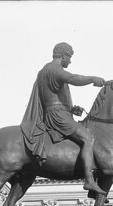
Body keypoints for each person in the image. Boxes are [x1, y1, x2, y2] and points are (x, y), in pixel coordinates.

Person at [20, 42, 105, 194]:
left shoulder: (45, 70)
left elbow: (52, 95)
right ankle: (89, 180)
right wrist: (93, 78)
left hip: (57, 111)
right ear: (63, 55)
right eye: (69, 57)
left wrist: (71, 109)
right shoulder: (54, 69)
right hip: (56, 115)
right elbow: (73, 78)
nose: (70, 61)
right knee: (88, 138)